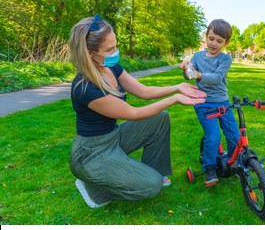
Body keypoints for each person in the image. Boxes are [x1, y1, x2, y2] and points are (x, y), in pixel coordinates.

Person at [69, 14, 206, 208]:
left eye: (115, 46)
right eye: (109, 49)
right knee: (152, 186)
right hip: (91, 153)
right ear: (90, 53)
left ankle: (148, 172)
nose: (115, 52)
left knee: (160, 117)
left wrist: (177, 87)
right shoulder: (84, 87)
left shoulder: (111, 67)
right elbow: (133, 113)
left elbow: (144, 91)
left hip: (113, 138)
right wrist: (174, 99)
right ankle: (95, 190)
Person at [180, 19, 240, 187]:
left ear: (226, 43)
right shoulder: (198, 56)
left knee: (234, 136)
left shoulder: (225, 59)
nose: (214, 43)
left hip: (222, 102)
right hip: (204, 103)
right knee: (213, 136)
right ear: (206, 36)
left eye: (219, 41)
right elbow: (190, 74)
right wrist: (186, 69)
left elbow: (217, 78)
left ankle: (235, 164)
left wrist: (199, 75)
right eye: (211, 38)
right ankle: (210, 168)